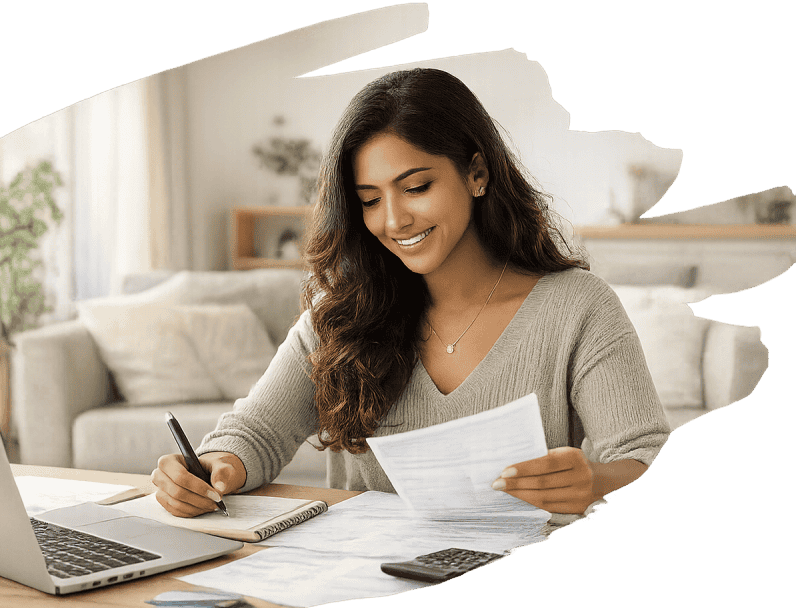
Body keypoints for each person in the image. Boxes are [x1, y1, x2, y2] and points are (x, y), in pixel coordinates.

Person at [152, 68, 670, 519]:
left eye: (417, 187)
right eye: (370, 200)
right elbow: (256, 433)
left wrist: (594, 482)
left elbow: (648, 462)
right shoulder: (340, 317)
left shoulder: (578, 308)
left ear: (477, 174)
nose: (394, 220)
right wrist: (214, 468)